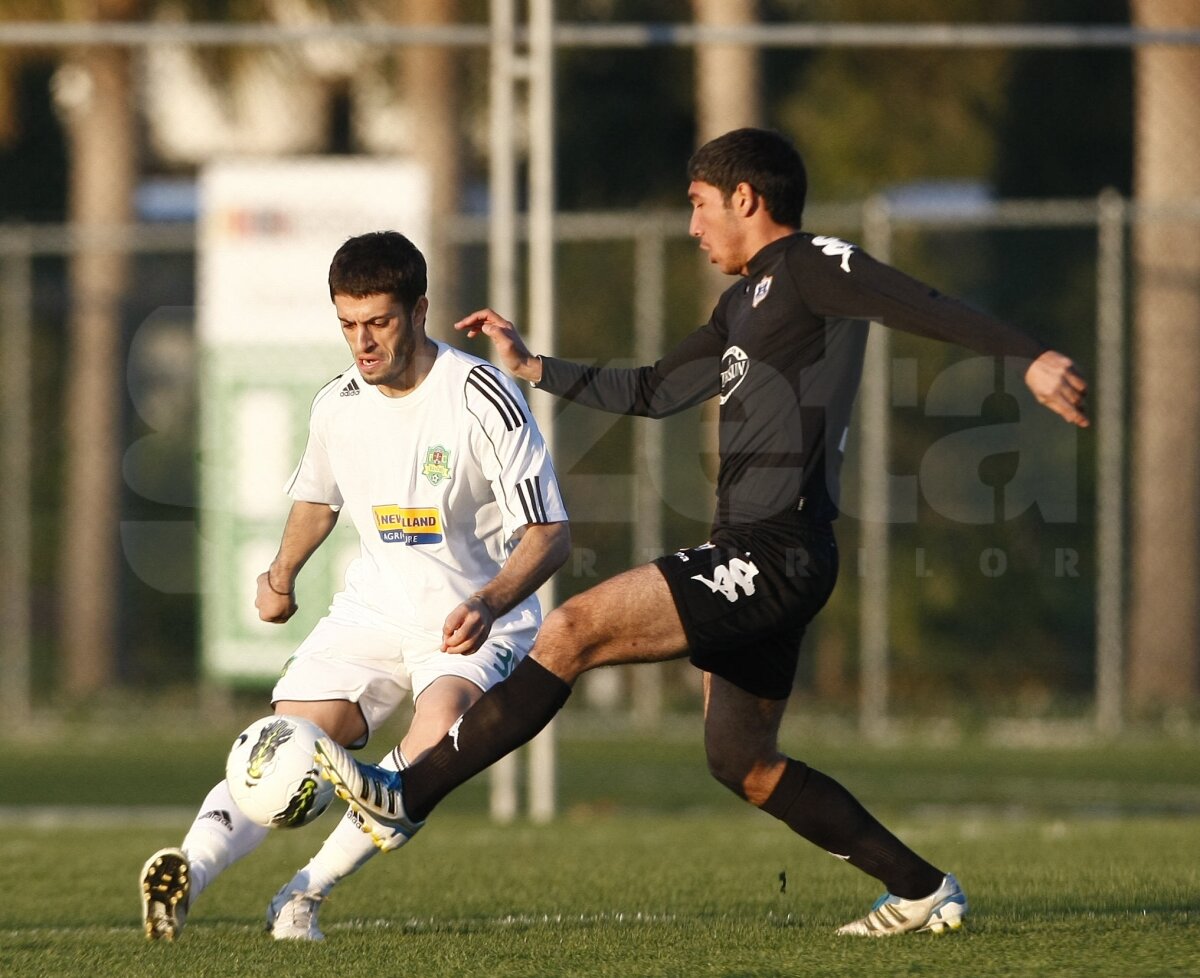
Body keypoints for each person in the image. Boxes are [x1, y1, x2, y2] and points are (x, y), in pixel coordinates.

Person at [314, 129, 1090, 938]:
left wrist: (1027, 355)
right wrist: (535, 366)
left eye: (698, 206)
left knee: (573, 625)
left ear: (746, 200)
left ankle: (409, 791)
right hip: (766, 554)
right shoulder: (742, 300)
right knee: (743, 762)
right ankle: (922, 887)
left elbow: (918, 302)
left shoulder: (813, 266)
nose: (692, 227)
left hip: (773, 550)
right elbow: (654, 388)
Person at [139, 231, 570, 942]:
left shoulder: (480, 396)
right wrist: (281, 576)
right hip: (375, 606)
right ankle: (187, 874)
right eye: (347, 324)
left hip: (476, 617)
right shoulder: (338, 402)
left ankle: (303, 895)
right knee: (288, 743)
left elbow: (550, 532)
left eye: (378, 322)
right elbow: (318, 499)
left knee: (434, 742)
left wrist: (490, 601)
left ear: (419, 310)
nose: (362, 343)